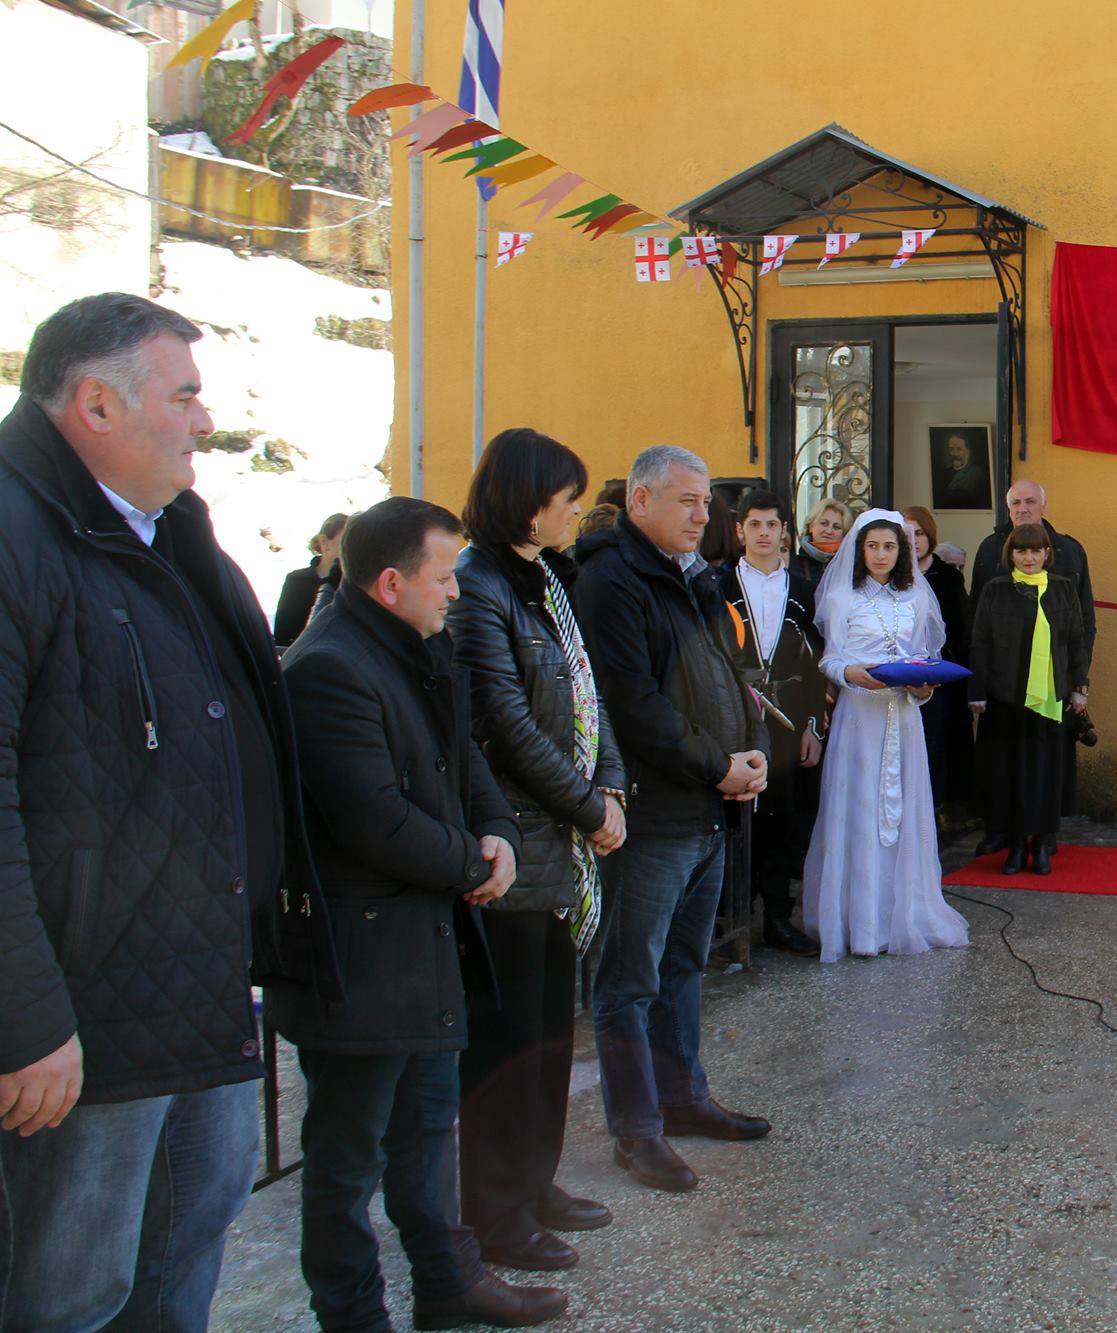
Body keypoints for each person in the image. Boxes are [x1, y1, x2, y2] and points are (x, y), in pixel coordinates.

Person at [0, 291, 340, 1331]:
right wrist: (25, 1018)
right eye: (185, 395)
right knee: (72, 1294)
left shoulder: (172, 535)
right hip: (84, 1026)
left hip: (201, 993)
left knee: (183, 1258)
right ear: (97, 405)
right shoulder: (16, 535)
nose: (205, 419)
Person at [272, 496, 567, 1329]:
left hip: (422, 946)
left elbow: (463, 760)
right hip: (360, 960)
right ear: (391, 582)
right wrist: (475, 862)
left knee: (430, 1131)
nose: (456, 592)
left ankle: (448, 1283)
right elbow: (372, 818)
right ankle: (353, 1312)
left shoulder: (416, 646)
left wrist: (498, 831)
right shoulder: (327, 668)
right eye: (444, 577)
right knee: (348, 1157)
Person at [445, 429, 626, 1273]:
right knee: (509, 1043)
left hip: (564, 840)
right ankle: (496, 1209)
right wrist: (588, 808)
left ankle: (536, 1181)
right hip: (519, 844)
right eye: (566, 499)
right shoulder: (477, 587)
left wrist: (611, 788)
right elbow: (506, 725)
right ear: (526, 502)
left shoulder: (548, 580)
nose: (577, 512)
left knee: (552, 1035)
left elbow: (589, 696)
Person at [573, 445, 773, 1194]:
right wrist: (718, 765)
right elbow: (636, 706)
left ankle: (684, 1098)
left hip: (707, 808)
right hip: (654, 814)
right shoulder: (611, 580)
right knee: (630, 979)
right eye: (686, 500)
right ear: (640, 502)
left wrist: (751, 752)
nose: (702, 514)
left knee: (684, 965)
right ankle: (637, 1128)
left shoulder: (693, 576)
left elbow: (732, 678)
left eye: (705, 501)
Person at [803, 509, 971, 963]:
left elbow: (923, 657)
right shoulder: (842, 597)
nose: (880, 554)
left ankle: (905, 913)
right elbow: (829, 659)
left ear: (903, 552)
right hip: (860, 717)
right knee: (858, 808)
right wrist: (851, 674)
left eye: (889, 547)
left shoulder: (914, 598)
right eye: (873, 546)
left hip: (904, 716)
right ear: (860, 550)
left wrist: (923, 686)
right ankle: (860, 922)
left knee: (905, 813)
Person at [716, 489, 825, 957]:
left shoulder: (802, 591)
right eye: (754, 524)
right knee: (734, 820)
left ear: (785, 532)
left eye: (772, 525)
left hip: (786, 721)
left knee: (783, 818)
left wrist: (813, 725)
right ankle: (731, 919)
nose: (763, 533)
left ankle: (778, 918)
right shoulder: (717, 587)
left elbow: (816, 663)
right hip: (732, 721)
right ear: (739, 529)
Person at [970, 478, 1096, 848]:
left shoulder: (1069, 550)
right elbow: (976, 618)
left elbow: (1083, 624)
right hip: (1003, 681)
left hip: (1051, 679)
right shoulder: (990, 548)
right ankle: (999, 831)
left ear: (1043, 506)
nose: (1022, 509)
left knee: (1047, 761)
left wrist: (1077, 678)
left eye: (1029, 501)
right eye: (1015, 503)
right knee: (1001, 760)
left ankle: (1044, 833)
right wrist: (978, 683)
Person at [904, 504, 973, 806]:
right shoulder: (893, 575)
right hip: (903, 676)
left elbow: (961, 629)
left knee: (938, 743)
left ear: (929, 535)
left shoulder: (947, 576)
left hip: (941, 675)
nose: (914, 540)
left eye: (919, 533)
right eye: (907, 534)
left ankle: (937, 811)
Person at [275, 510, 349, 646]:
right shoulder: (297, 581)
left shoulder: (356, 584)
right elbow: (282, 635)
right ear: (324, 542)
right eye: (346, 541)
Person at [794, 498, 850, 585]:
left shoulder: (850, 568)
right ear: (811, 526)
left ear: (844, 534)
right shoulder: (792, 566)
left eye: (836, 527)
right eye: (824, 523)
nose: (829, 531)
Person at [935, 430, 989, 509]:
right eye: (952, 449)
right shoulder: (942, 474)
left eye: (959, 449)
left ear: (967, 450)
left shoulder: (977, 473)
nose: (955, 453)